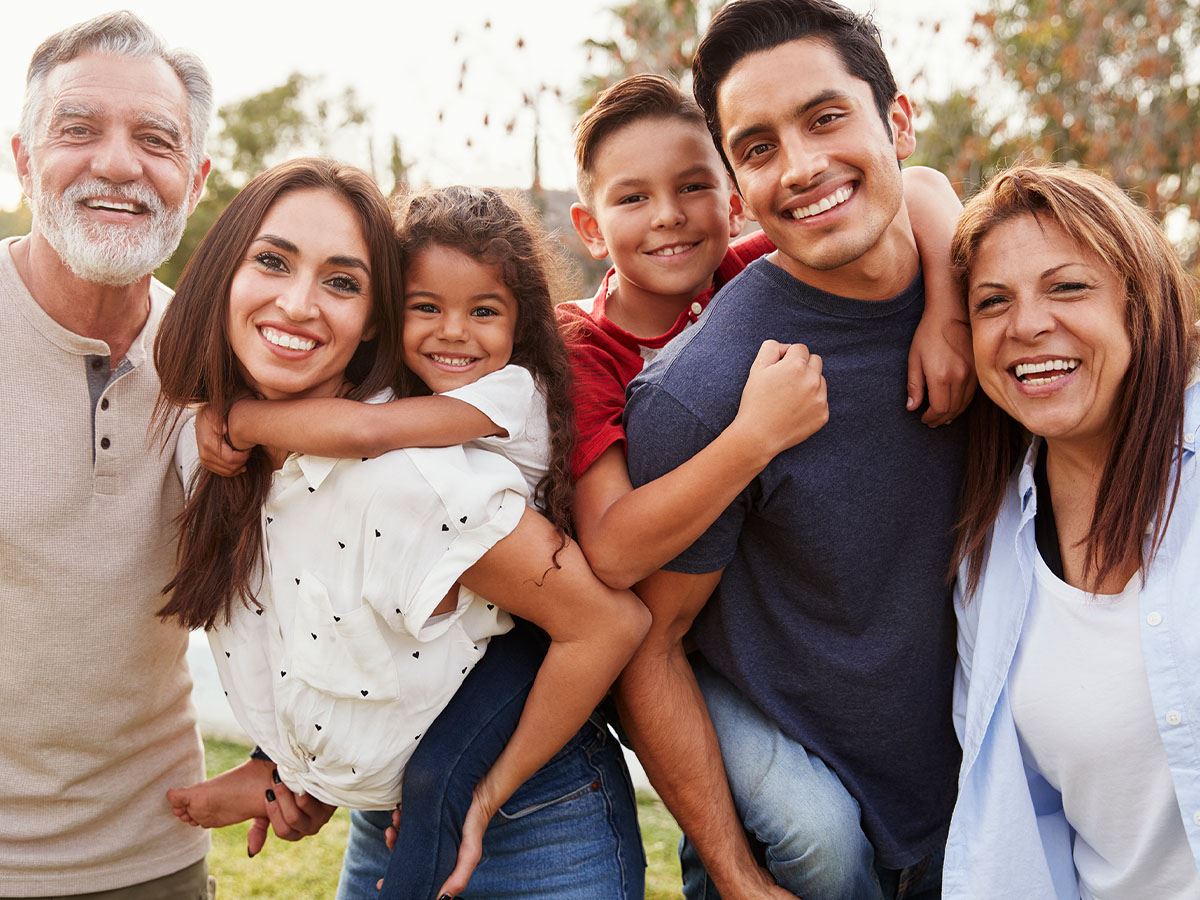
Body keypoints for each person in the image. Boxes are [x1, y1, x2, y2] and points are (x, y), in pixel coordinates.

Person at [159, 167, 650, 900]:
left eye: (342, 282)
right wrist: (309, 777)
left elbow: (368, 434)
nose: (297, 303)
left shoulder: (420, 471)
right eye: (271, 260)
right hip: (381, 793)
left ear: (371, 318)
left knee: (437, 786)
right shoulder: (202, 452)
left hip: (536, 807)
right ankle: (287, 773)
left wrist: (239, 420)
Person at [619, 1, 970, 897]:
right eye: (761, 146)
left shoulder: (989, 303)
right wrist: (736, 871)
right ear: (738, 184)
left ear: (897, 121)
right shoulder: (706, 396)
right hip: (810, 858)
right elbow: (651, 647)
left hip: (984, 812)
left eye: (825, 118)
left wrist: (954, 305)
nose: (804, 166)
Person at [561, 73, 971, 591]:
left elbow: (919, 184)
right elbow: (611, 551)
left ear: (735, 206)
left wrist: (948, 315)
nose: (669, 216)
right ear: (592, 229)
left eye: (692, 187)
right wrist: (756, 436)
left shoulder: (748, 273)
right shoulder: (580, 344)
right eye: (632, 199)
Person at [0, 13, 216, 898]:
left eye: (156, 140)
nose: (119, 165)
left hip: (154, 856)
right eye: (79, 130)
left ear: (195, 180)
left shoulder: (221, 361)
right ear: (22, 160)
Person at [944, 164, 1200, 898]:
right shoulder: (985, 564)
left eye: (1067, 287)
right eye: (994, 302)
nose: (1027, 325)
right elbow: (1027, 826)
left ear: (1139, 302)